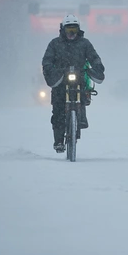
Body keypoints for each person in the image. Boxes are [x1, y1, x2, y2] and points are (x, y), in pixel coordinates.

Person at [42, 14, 105, 153]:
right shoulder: (55, 44)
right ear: (63, 30)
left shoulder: (85, 44)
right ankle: (58, 141)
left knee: (83, 97)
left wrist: (97, 67)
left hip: (80, 79)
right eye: (69, 29)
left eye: (74, 30)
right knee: (58, 111)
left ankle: (81, 118)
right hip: (60, 81)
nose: (71, 33)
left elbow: (94, 57)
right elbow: (47, 60)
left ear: (78, 30)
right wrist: (50, 70)